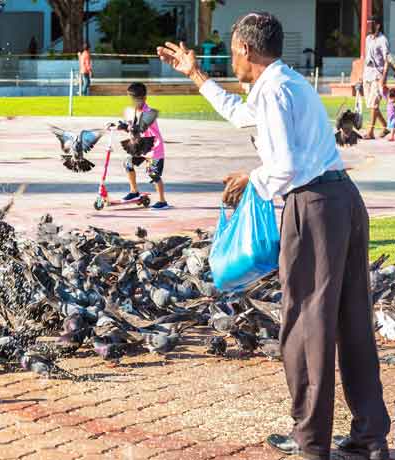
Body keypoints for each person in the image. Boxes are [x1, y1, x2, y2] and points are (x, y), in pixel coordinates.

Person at [159, 11, 390, 460]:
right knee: (351, 323)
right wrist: (197, 74)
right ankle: (370, 438)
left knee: (305, 328)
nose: (231, 58)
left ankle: (310, 443)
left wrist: (253, 179)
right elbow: (242, 116)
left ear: (245, 49)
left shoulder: (276, 90)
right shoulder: (285, 83)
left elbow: (283, 166)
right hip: (343, 202)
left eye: (230, 51)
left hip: (314, 208)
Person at [119, 82, 168, 210]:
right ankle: (134, 191)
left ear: (144, 98)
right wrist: (119, 126)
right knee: (128, 163)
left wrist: (128, 127)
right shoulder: (134, 111)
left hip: (154, 148)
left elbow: (138, 128)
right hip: (141, 147)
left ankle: (162, 201)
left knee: (153, 173)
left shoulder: (148, 112)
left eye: (138, 99)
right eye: (133, 99)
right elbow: (131, 126)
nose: (135, 102)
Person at [362, 16, 389, 139]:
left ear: (378, 25)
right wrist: (361, 75)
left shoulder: (383, 40)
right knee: (370, 104)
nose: (369, 26)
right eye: (367, 23)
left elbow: (387, 60)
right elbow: (367, 58)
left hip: (378, 75)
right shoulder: (368, 39)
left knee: (374, 103)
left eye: (371, 23)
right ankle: (385, 126)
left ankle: (370, 132)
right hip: (367, 74)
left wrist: (383, 78)